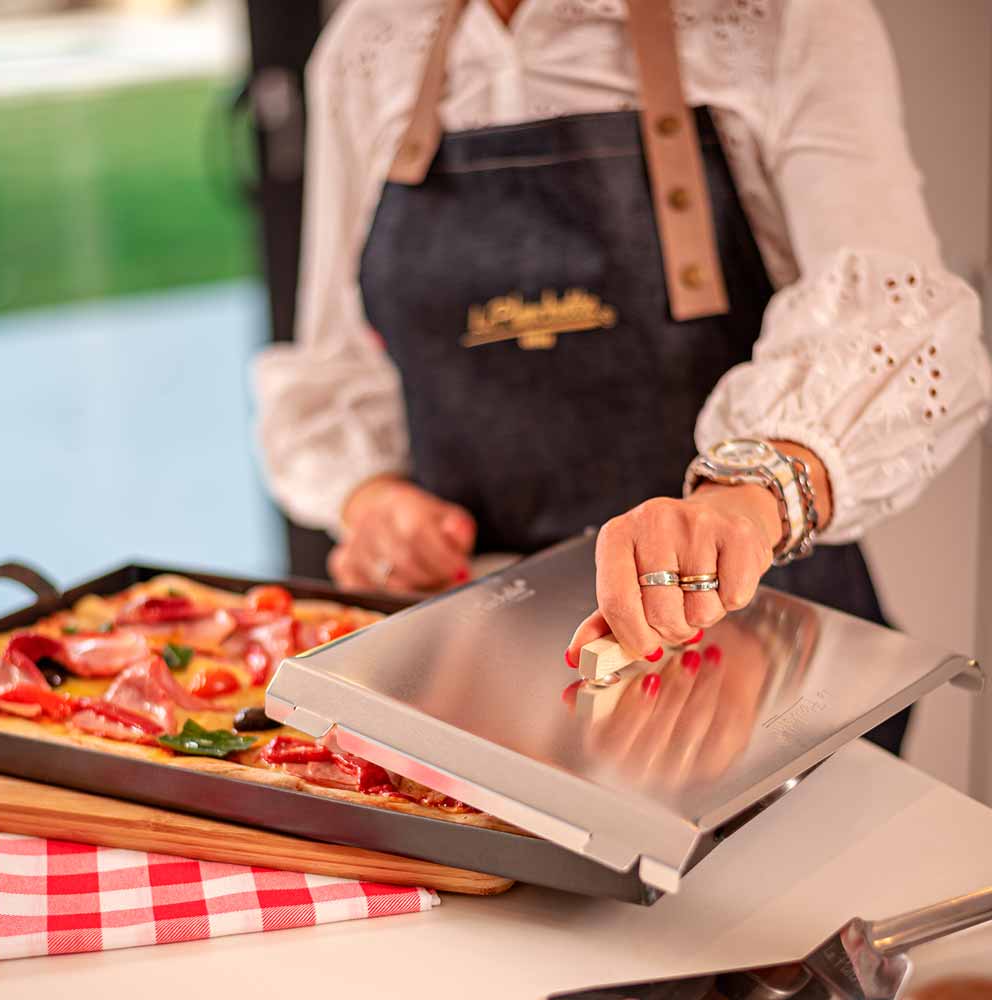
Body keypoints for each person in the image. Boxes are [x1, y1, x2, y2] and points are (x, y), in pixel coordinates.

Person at [254, 0, 991, 755]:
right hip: (481, 691)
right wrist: (376, 501)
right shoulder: (371, 41)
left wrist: (743, 498)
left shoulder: (777, 17)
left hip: (759, 674)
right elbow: (338, 359)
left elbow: (896, 321)